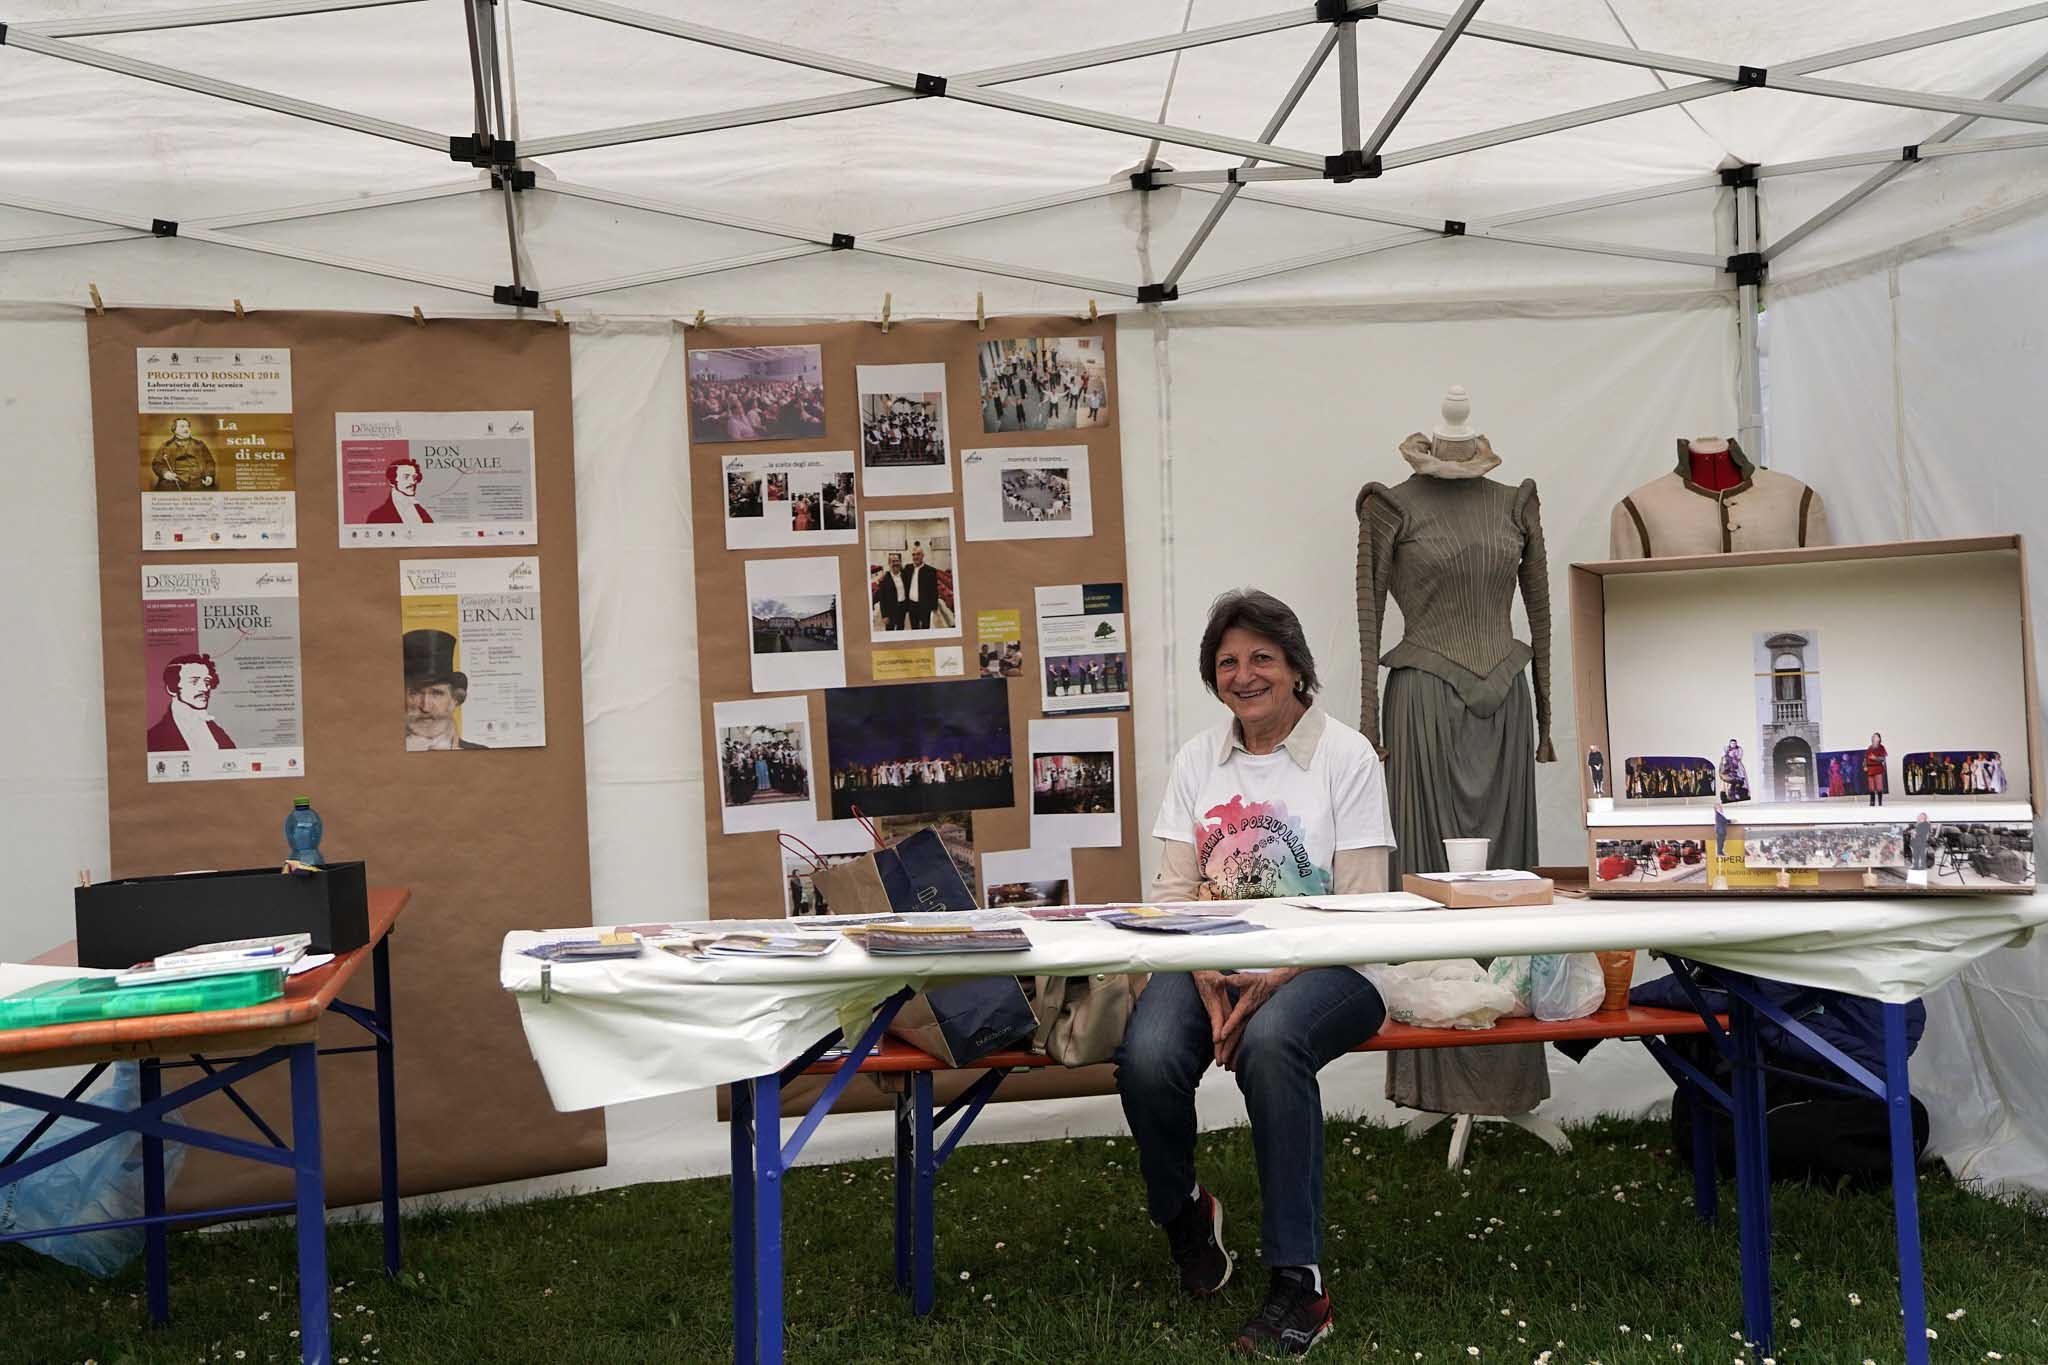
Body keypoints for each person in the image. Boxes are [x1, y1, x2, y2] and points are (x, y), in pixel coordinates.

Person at [1116, 588, 1394, 1357]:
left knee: (1272, 1045)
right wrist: (1208, 973)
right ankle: (1183, 1210)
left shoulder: (1347, 756)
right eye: (1227, 661)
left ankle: (1301, 1285)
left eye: (1261, 657)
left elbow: (1363, 905)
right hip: (1209, 955)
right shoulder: (1196, 760)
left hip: (1331, 963)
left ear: (1297, 666)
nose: (1244, 675)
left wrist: (1271, 980)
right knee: (1147, 1057)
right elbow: (1172, 896)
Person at [404, 629, 487, 750]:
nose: (426, 707)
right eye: (415, 693)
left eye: (437, 693)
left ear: (455, 700)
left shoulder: (480, 753)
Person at [146, 653, 235, 751]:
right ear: (172, 688)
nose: (205, 688)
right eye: (194, 681)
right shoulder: (153, 738)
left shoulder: (219, 733)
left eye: (207, 682)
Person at [150, 417, 218, 491]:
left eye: (188, 426)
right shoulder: (166, 446)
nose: (186, 429)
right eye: (182, 426)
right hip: (174, 482)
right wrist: (165, 473)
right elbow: (156, 464)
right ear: (174, 429)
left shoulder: (199, 444)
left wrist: (209, 475)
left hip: (198, 482)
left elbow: (210, 462)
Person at [366, 456, 434, 525]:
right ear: (391, 482)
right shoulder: (376, 516)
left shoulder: (421, 511)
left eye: (414, 477)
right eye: (406, 477)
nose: (413, 482)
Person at [902, 542, 942, 630]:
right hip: (912, 605)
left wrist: (934, 608)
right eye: (913, 554)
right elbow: (898, 576)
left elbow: (934, 591)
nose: (915, 557)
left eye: (918, 554)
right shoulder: (907, 568)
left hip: (925, 606)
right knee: (914, 628)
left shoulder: (931, 571)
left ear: (923, 556)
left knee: (925, 627)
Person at [872, 552, 909, 632]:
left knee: (901, 629)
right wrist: (884, 615)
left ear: (900, 562)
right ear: (889, 563)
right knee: (890, 630)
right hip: (890, 610)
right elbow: (882, 599)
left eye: (897, 561)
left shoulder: (905, 575)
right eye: (893, 561)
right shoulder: (884, 579)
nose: (895, 563)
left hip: (902, 608)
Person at [1864, 732, 1888, 807]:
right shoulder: (1869, 748)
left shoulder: (1881, 747)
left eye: (1875, 737)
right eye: (1873, 736)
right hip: (1870, 769)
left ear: (1879, 739)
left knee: (1879, 786)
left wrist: (1875, 758)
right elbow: (1865, 758)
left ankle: (1880, 802)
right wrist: (1865, 766)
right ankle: (1872, 802)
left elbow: (1883, 758)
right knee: (1871, 787)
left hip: (1877, 768)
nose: (1873, 738)